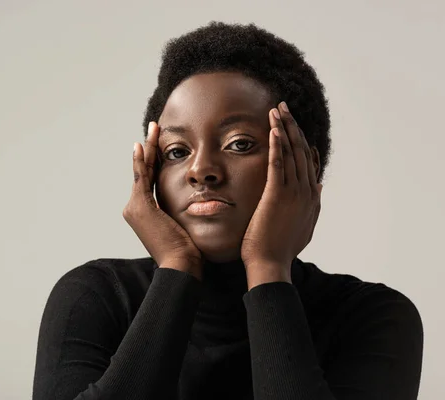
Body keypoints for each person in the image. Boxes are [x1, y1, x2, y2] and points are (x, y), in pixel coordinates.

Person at [32, 22, 423, 400]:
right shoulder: (97, 296)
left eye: (239, 144)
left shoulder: (373, 318)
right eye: (176, 152)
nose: (201, 170)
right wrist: (176, 266)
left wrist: (268, 266)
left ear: (305, 164)